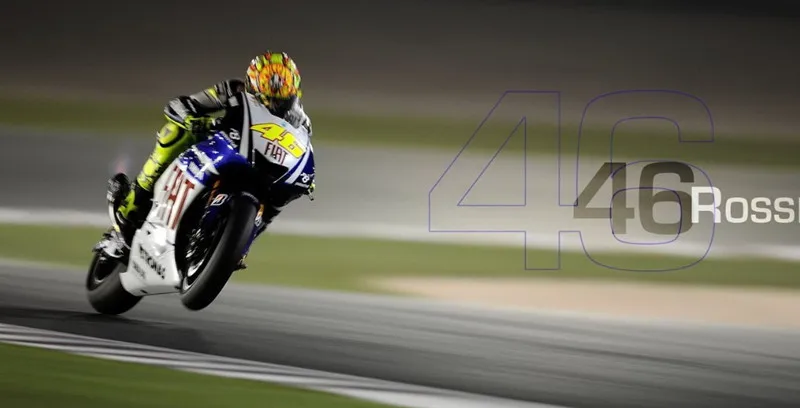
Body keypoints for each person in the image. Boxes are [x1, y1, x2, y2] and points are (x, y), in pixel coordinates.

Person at [110, 51, 313, 267]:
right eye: (268, 82)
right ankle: (131, 205)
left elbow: (302, 153)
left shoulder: (301, 122)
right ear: (253, 81)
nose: (275, 90)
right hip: (220, 147)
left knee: (279, 199)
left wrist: (305, 176)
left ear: (295, 86)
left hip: (261, 164)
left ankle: (241, 245)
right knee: (175, 133)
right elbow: (181, 105)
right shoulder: (234, 90)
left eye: (283, 84)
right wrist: (191, 119)